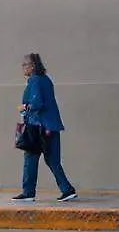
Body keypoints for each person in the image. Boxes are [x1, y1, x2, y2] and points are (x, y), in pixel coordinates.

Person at [12, 53, 78, 203]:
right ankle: (67, 190)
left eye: (25, 65)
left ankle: (28, 192)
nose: (23, 68)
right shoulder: (46, 80)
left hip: (38, 127)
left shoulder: (34, 80)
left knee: (30, 158)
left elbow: (37, 103)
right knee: (53, 160)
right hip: (51, 126)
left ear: (33, 66)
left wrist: (24, 107)